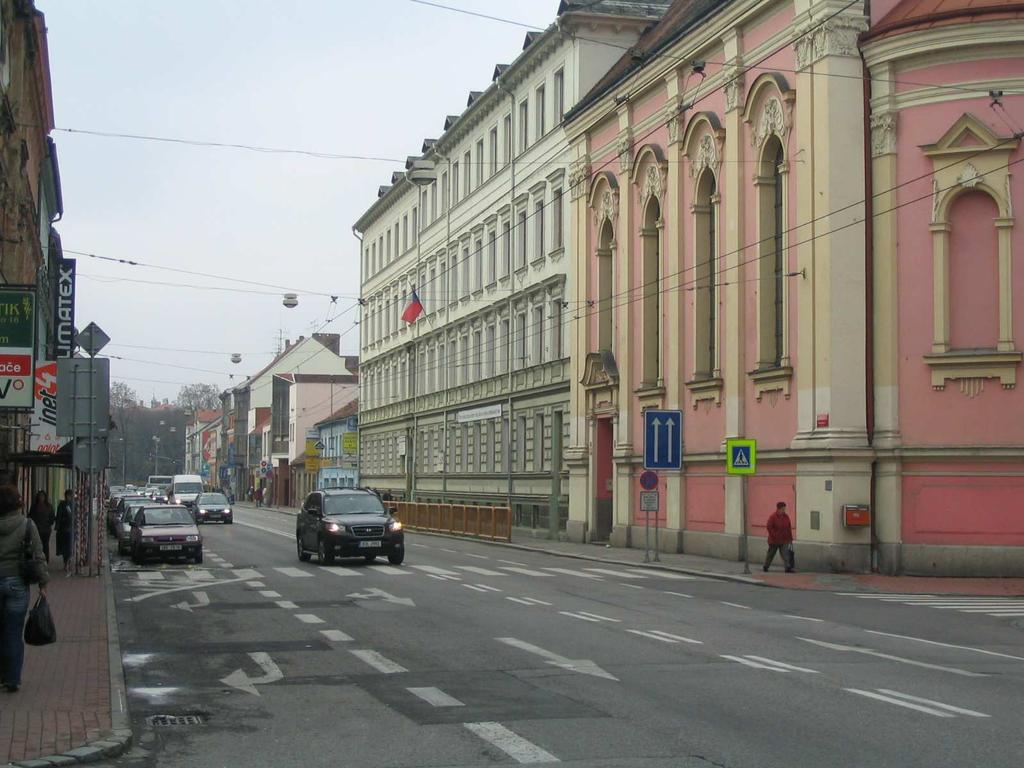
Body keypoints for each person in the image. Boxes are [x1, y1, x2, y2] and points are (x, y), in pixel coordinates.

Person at [0, 484, 49, 692]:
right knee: (13, 632)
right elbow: (38, 555)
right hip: (17, 583)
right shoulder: (27, 525)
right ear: (18, 503)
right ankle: (12, 679)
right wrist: (43, 583)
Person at [764, 501, 794, 573]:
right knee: (771, 554)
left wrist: (790, 538)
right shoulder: (773, 517)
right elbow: (769, 527)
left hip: (784, 539)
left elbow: (788, 527)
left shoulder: (786, 517)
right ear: (778, 509)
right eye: (783, 509)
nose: (784, 510)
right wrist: (774, 535)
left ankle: (787, 567)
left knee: (785, 554)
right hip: (774, 540)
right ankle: (766, 566)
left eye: (784, 509)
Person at [28, 491, 55, 563]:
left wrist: (48, 523)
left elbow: (52, 517)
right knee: (36, 544)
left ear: (45, 497)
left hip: (46, 530)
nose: (41, 498)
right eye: (40, 496)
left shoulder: (49, 506)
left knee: (45, 545)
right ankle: (38, 559)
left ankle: (46, 559)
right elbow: (30, 516)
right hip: (36, 529)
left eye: (42, 496)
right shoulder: (34, 506)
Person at [55, 490, 74, 574]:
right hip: (63, 529)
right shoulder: (62, 505)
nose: (69, 497)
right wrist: (58, 525)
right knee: (65, 547)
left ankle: (68, 562)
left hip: (71, 529)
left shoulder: (73, 504)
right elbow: (58, 516)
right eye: (68, 495)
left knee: (69, 547)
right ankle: (66, 562)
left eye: (70, 495)